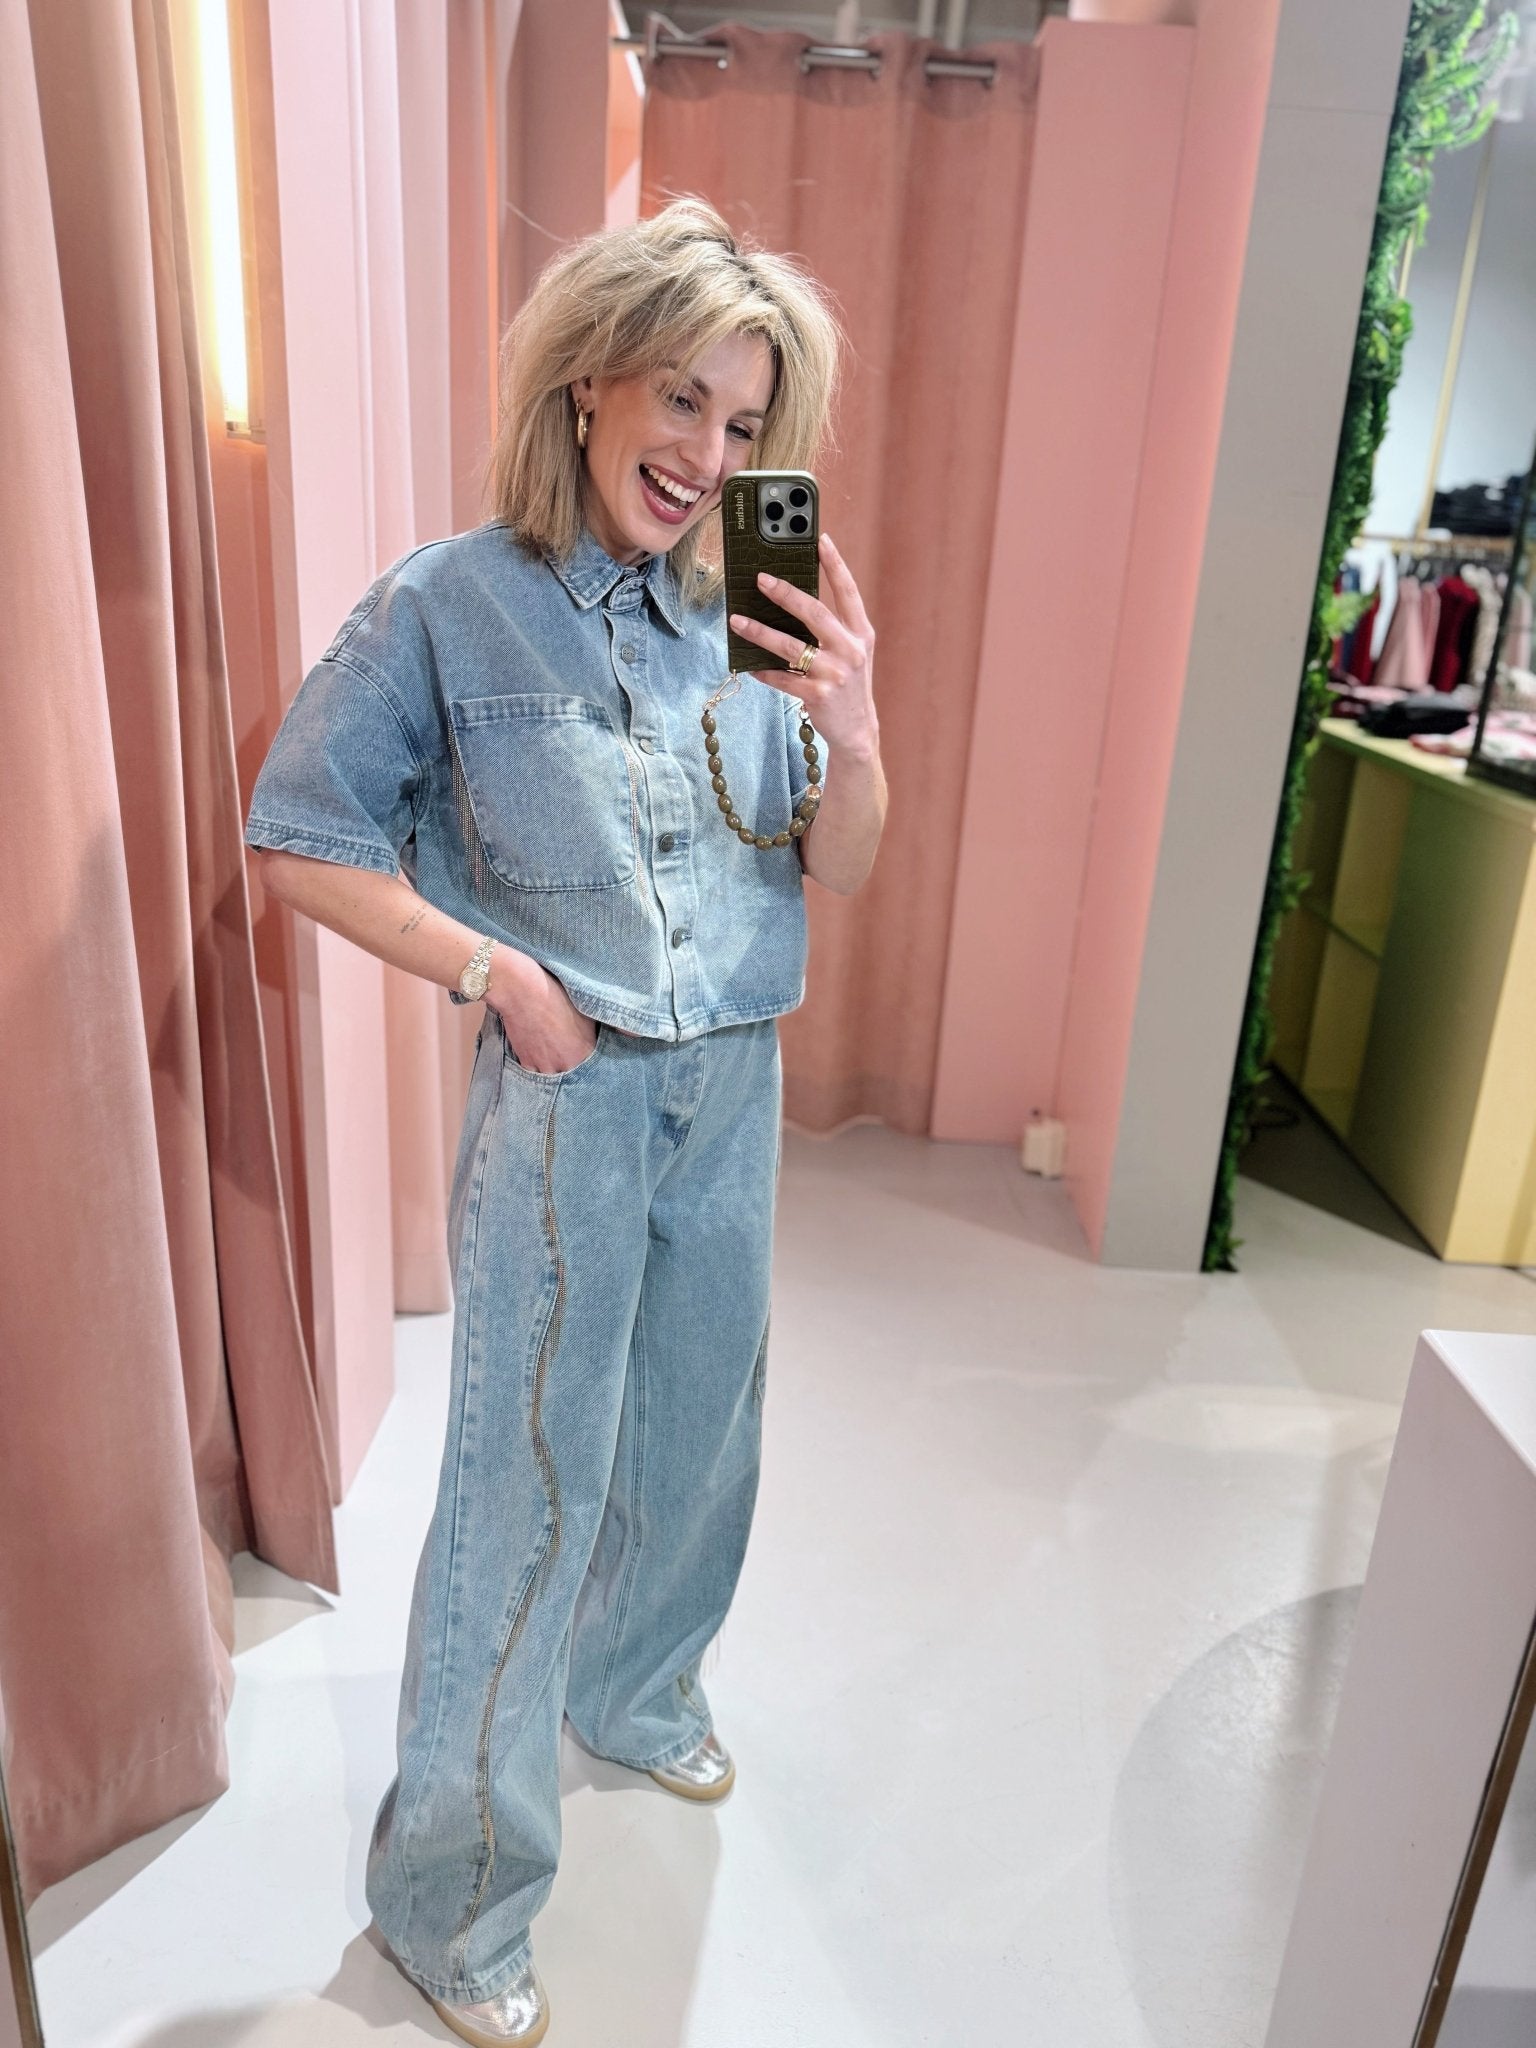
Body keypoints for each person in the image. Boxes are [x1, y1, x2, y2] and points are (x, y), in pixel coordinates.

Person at [242, 197, 886, 2045]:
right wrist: (492, 973)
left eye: (746, 424)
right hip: (568, 1092)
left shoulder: (745, 612)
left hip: (734, 1079)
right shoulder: (451, 603)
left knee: (697, 1436)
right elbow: (298, 833)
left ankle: (639, 1691)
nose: (709, 456)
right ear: (589, 383)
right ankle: (448, 1903)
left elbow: (842, 859)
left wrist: (859, 721)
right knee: (527, 1483)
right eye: (680, 398)